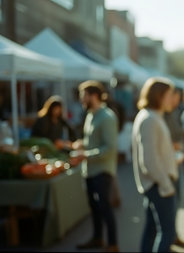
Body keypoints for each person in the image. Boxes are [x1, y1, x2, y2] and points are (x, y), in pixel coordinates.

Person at [132, 78, 178, 252]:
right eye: (169, 95)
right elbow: (149, 161)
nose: (172, 100)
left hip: (155, 183)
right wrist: (166, 185)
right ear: (159, 96)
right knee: (167, 232)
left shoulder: (151, 116)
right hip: (158, 185)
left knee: (152, 230)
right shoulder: (149, 119)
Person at [74, 81, 119, 252]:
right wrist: (81, 145)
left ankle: (113, 243)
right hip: (90, 170)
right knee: (94, 207)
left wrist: (85, 154)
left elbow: (109, 148)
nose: (81, 100)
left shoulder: (107, 117)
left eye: (83, 96)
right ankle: (98, 238)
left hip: (102, 170)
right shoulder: (91, 115)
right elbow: (92, 141)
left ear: (94, 96)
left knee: (105, 207)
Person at [163, 87, 184, 248]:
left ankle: (173, 235)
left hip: (176, 161)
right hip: (167, 166)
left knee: (176, 201)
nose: (178, 101)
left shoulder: (173, 112)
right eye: (176, 97)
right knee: (169, 204)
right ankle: (170, 238)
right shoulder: (160, 116)